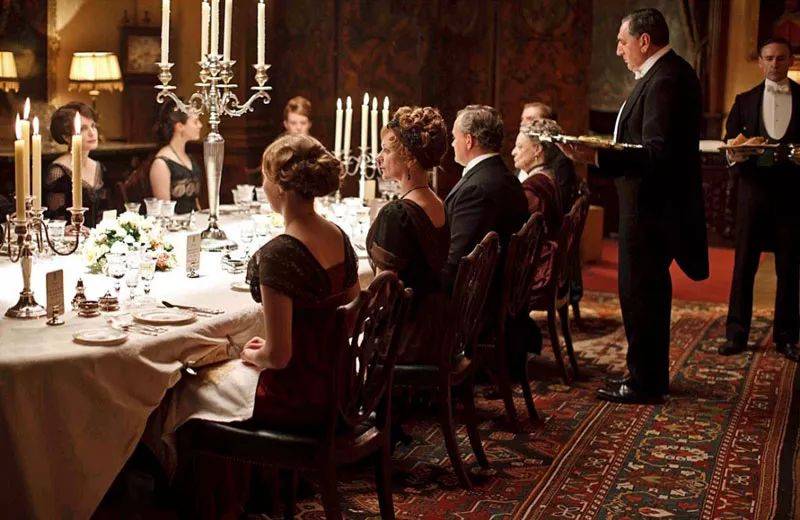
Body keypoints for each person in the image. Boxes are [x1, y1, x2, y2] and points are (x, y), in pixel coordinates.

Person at [560, 8, 708, 403]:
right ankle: (645, 376)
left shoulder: (666, 80)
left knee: (642, 295)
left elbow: (656, 154)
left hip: (650, 212)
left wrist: (595, 156)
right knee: (642, 294)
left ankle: (645, 383)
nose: (618, 50)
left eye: (622, 42)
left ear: (644, 41)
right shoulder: (663, 75)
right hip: (647, 208)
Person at [242, 133, 360, 428]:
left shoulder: (278, 254)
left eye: (265, 177)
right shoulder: (338, 234)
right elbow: (351, 316)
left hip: (301, 398)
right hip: (342, 385)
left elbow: (278, 358)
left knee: (192, 391)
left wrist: (254, 354)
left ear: (281, 186)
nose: (262, 185)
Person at [719, 37, 800, 362]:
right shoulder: (744, 100)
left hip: (793, 196)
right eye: (769, 58)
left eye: (781, 58)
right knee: (744, 265)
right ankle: (736, 334)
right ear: (760, 62)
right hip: (753, 194)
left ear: (790, 60)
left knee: (790, 268)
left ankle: (788, 337)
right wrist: (737, 150)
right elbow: (729, 145)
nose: (775, 64)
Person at [367, 106, 450, 363]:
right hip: (436, 330)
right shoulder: (437, 202)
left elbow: (382, 295)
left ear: (410, 158)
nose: (379, 157)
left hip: (404, 337)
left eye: (386, 150)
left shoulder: (397, 213)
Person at [444, 104, 528, 294]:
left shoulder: (477, 189)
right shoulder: (508, 178)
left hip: (475, 297)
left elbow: (458, 261)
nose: (452, 144)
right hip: (500, 290)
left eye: (454, 137)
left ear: (468, 140)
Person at [45, 102, 110, 226]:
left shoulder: (99, 167)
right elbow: (56, 219)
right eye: (83, 129)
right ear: (67, 137)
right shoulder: (58, 171)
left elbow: (106, 213)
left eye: (93, 126)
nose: (92, 133)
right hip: (70, 236)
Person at [148, 100, 204, 214]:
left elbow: (195, 202)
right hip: (175, 223)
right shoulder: (161, 163)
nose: (200, 125)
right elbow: (164, 212)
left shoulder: (190, 158)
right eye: (195, 122)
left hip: (194, 221)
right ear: (179, 126)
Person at [513, 119, 564, 239]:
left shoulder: (533, 188)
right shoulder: (549, 176)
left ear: (537, 149)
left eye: (519, 147)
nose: (513, 152)